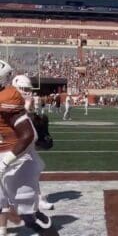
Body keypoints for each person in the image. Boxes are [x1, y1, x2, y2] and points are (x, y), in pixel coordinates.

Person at [0, 60, 58, 236]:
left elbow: (27, 135)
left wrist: (6, 161)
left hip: (17, 160)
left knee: (29, 216)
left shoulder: (8, 98)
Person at [12, 75, 55, 211]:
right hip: (8, 146)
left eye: (29, 89)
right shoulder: (8, 101)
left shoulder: (25, 104)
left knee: (34, 167)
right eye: (24, 89)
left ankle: (38, 198)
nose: (27, 92)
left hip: (23, 146)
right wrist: (26, 108)